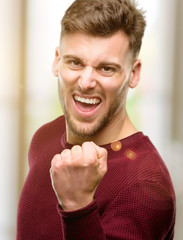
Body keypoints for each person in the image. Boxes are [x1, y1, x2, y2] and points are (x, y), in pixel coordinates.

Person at [16, 0, 176, 239]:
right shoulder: (45, 137)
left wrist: (77, 205)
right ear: (57, 61)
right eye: (75, 62)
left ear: (134, 73)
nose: (86, 82)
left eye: (106, 68)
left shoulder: (145, 185)